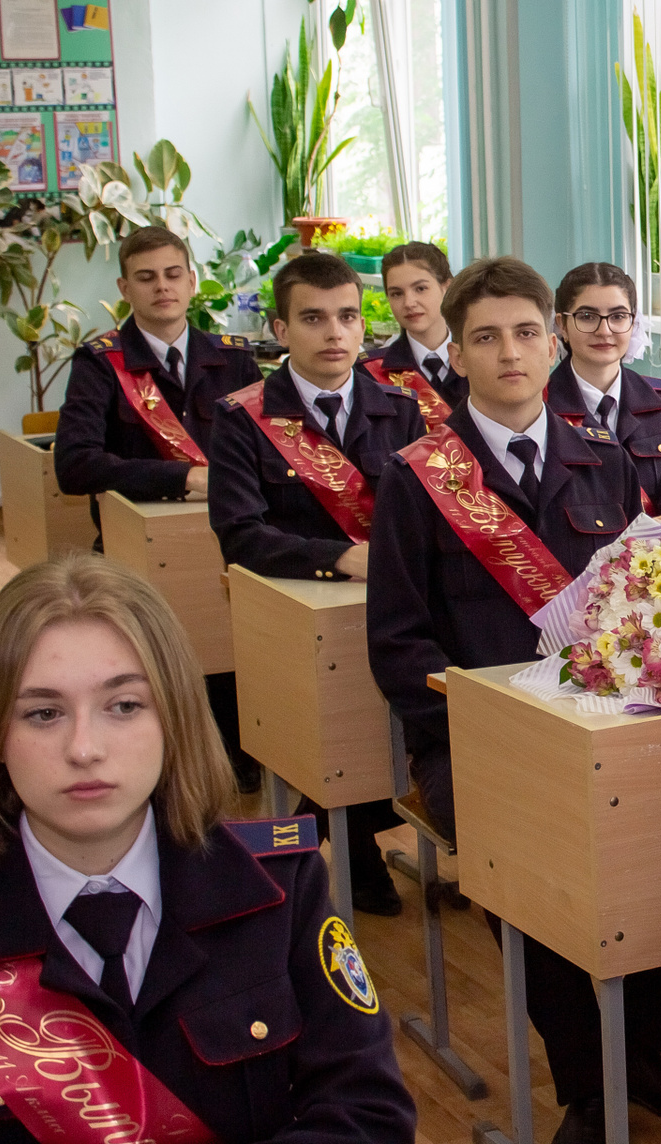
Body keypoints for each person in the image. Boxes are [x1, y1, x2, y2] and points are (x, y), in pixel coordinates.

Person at [366, 257, 661, 1143]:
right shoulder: (416, 478)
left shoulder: (605, 457)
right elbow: (398, 645)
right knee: (531, 868)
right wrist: (487, 722)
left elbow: (638, 603)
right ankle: (589, 1083)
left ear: (553, 341)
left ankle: (638, 1048)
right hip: (476, 740)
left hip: (606, 724)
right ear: (457, 355)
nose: (510, 353)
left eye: (527, 332)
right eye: (486, 338)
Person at [0, 554, 415, 1144]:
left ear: (174, 719)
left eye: (124, 706)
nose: (85, 749)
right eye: (44, 713)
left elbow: (368, 1113)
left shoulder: (279, 888)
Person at [208, 251, 422, 917]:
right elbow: (240, 533)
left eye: (348, 317)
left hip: (389, 607)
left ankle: (334, 840)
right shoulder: (242, 417)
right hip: (298, 616)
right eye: (313, 318)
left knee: (403, 728)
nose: (334, 333)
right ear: (280, 330)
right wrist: (339, 557)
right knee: (330, 739)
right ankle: (331, 844)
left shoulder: (400, 409)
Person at [53, 224, 263, 793]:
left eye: (173, 275)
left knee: (239, 649)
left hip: (229, 540)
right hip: (134, 553)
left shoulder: (234, 359)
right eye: (146, 278)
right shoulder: (101, 363)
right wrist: (181, 478)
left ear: (192, 281)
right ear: (125, 288)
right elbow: (74, 465)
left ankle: (236, 752)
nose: (162, 287)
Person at [542, 262, 661, 528]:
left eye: (618, 316)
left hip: (659, 548)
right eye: (587, 316)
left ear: (633, 323)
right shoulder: (540, 406)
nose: (604, 331)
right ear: (562, 324)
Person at [363, 241, 464, 425]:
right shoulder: (369, 375)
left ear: (447, 288)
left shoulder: (477, 359)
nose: (409, 303)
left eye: (420, 289)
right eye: (396, 293)